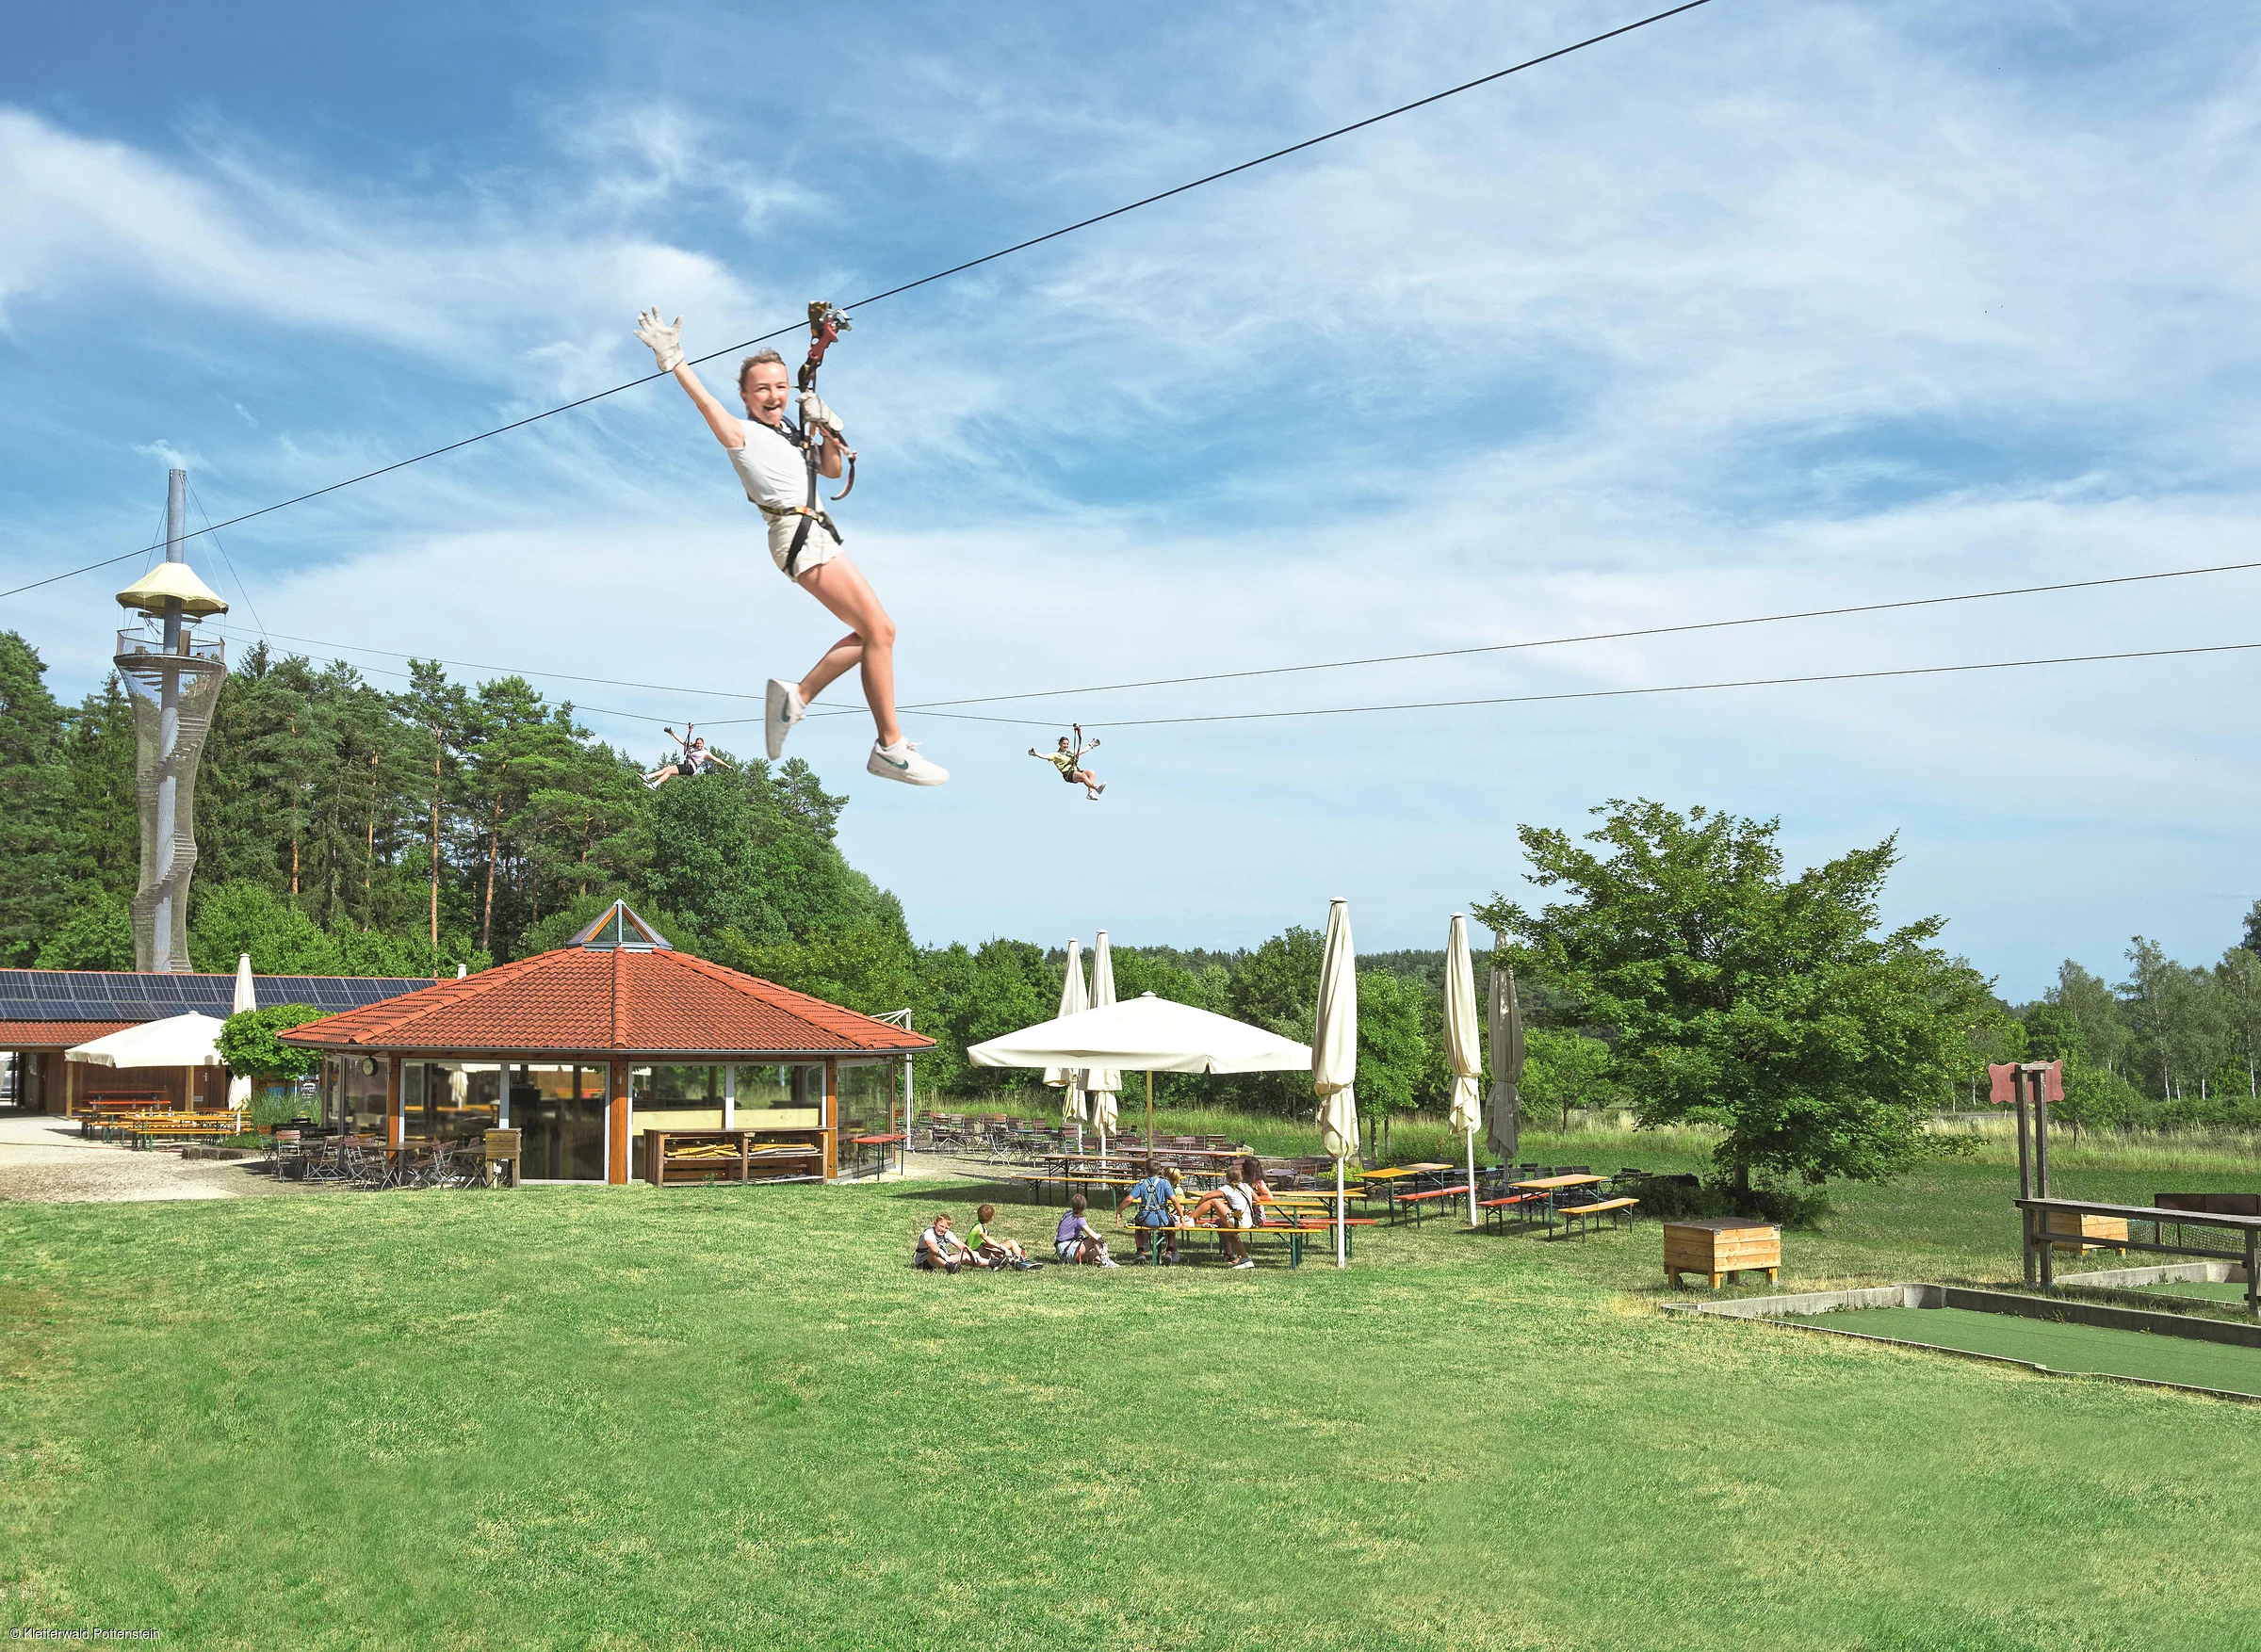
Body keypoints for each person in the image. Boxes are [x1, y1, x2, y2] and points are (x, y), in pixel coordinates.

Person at [633, 309, 946, 787]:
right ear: (744, 396)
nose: (773, 395)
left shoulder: (792, 437)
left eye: (779, 387)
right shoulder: (742, 434)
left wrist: (825, 426)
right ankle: (888, 746)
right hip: (794, 535)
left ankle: (799, 699)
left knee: (874, 636)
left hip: (814, 533)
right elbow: (704, 405)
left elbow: (834, 470)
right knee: (880, 629)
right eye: (761, 388)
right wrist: (674, 359)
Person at [1119, 1164, 1185, 1264]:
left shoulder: (1141, 1183)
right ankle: (1170, 1251)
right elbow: (1174, 1200)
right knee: (1171, 1228)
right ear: (1159, 1170)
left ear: (1146, 1171)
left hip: (1145, 1219)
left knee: (1137, 1227)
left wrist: (1119, 1211)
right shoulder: (1165, 1183)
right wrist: (1182, 1217)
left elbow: (1129, 1199)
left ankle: (1140, 1251)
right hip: (1163, 1219)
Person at [1029, 722, 1104, 800]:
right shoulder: (1056, 755)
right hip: (1068, 774)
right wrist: (1035, 753)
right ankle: (1096, 787)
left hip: (1075, 771)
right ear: (1060, 744)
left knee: (1091, 773)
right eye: (1064, 744)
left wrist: (1091, 745)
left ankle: (1090, 793)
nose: (1066, 745)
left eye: (1067, 744)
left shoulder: (1070, 753)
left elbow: (1081, 751)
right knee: (1083, 776)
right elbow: (1045, 756)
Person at [644, 726, 734, 789]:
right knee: (667, 768)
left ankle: (654, 785)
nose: (699, 745)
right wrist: (672, 732)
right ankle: (648, 776)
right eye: (698, 743)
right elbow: (681, 740)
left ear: (703, 744)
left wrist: (727, 766)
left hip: (690, 768)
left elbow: (716, 759)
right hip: (687, 765)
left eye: (700, 744)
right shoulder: (692, 747)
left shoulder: (705, 752)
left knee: (669, 772)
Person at [970, 1205, 1039, 1271]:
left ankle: (1019, 1260)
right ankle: (1017, 1262)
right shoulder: (979, 1227)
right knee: (991, 1247)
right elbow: (986, 1239)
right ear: (991, 1218)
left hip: (980, 1250)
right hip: (975, 1253)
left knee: (1011, 1242)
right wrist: (1001, 1247)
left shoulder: (979, 1225)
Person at [1055, 1195, 1119, 1266]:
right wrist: (1101, 1241)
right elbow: (1089, 1232)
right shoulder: (1078, 1218)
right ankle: (1105, 1261)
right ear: (1084, 1206)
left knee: (1096, 1254)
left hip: (1062, 1251)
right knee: (1093, 1239)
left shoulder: (1067, 1214)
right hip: (1067, 1250)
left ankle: (1098, 1261)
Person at [915, 1213, 984, 1273]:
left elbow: (960, 1245)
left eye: (946, 1228)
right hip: (924, 1261)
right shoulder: (929, 1233)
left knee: (964, 1255)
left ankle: (991, 1263)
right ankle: (949, 1267)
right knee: (933, 1253)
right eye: (941, 1226)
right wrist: (945, 1256)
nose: (943, 1229)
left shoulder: (947, 1233)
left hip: (942, 1258)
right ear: (935, 1223)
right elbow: (931, 1246)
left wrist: (972, 1252)